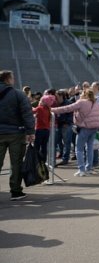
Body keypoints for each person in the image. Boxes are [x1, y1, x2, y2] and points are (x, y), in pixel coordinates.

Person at [52, 89, 99, 177]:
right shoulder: (95, 103)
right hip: (94, 127)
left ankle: (81, 169)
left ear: (84, 95)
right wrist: (97, 116)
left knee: (79, 149)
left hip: (85, 127)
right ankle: (89, 168)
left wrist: (51, 109)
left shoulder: (81, 102)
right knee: (89, 148)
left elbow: (67, 108)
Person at [0, 70, 35, 200]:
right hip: (16, 133)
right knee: (16, 163)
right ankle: (15, 191)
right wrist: (31, 131)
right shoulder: (18, 94)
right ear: (8, 79)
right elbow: (27, 114)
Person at [32, 94, 55, 163]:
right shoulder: (48, 109)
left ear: (44, 102)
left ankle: (36, 161)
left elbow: (32, 111)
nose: (40, 101)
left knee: (36, 146)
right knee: (44, 146)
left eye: (41, 100)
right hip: (46, 130)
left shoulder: (39, 108)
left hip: (39, 130)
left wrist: (30, 107)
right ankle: (43, 161)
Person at [55, 90, 73, 165]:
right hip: (59, 125)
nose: (56, 98)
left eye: (57, 97)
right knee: (57, 141)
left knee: (66, 142)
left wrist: (67, 122)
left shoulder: (68, 103)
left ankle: (65, 159)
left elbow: (72, 114)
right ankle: (61, 154)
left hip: (66, 125)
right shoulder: (57, 103)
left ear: (61, 96)